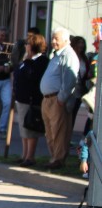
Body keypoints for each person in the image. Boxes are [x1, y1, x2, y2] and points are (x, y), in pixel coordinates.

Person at [40, 27, 80, 169]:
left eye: (56, 38)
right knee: (50, 131)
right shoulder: (56, 55)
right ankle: (53, 158)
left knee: (59, 131)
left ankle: (58, 159)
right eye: (53, 38)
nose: (53, 41)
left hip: (57, 100)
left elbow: (70, 79)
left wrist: (61, 98)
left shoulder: (68, 55)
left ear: (66, 40)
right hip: (48, 99)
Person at [12, 33, 49, 167]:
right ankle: (24, 154)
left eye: (28, 44)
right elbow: (18, 72)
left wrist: (27, 61)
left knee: (30, 128)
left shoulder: (41, 61)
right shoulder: (27, 59)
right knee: (23, 128)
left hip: (31, 99)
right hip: (21, 99)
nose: (26, 46)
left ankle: (30, 156)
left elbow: (32, 76)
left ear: (33, 46)